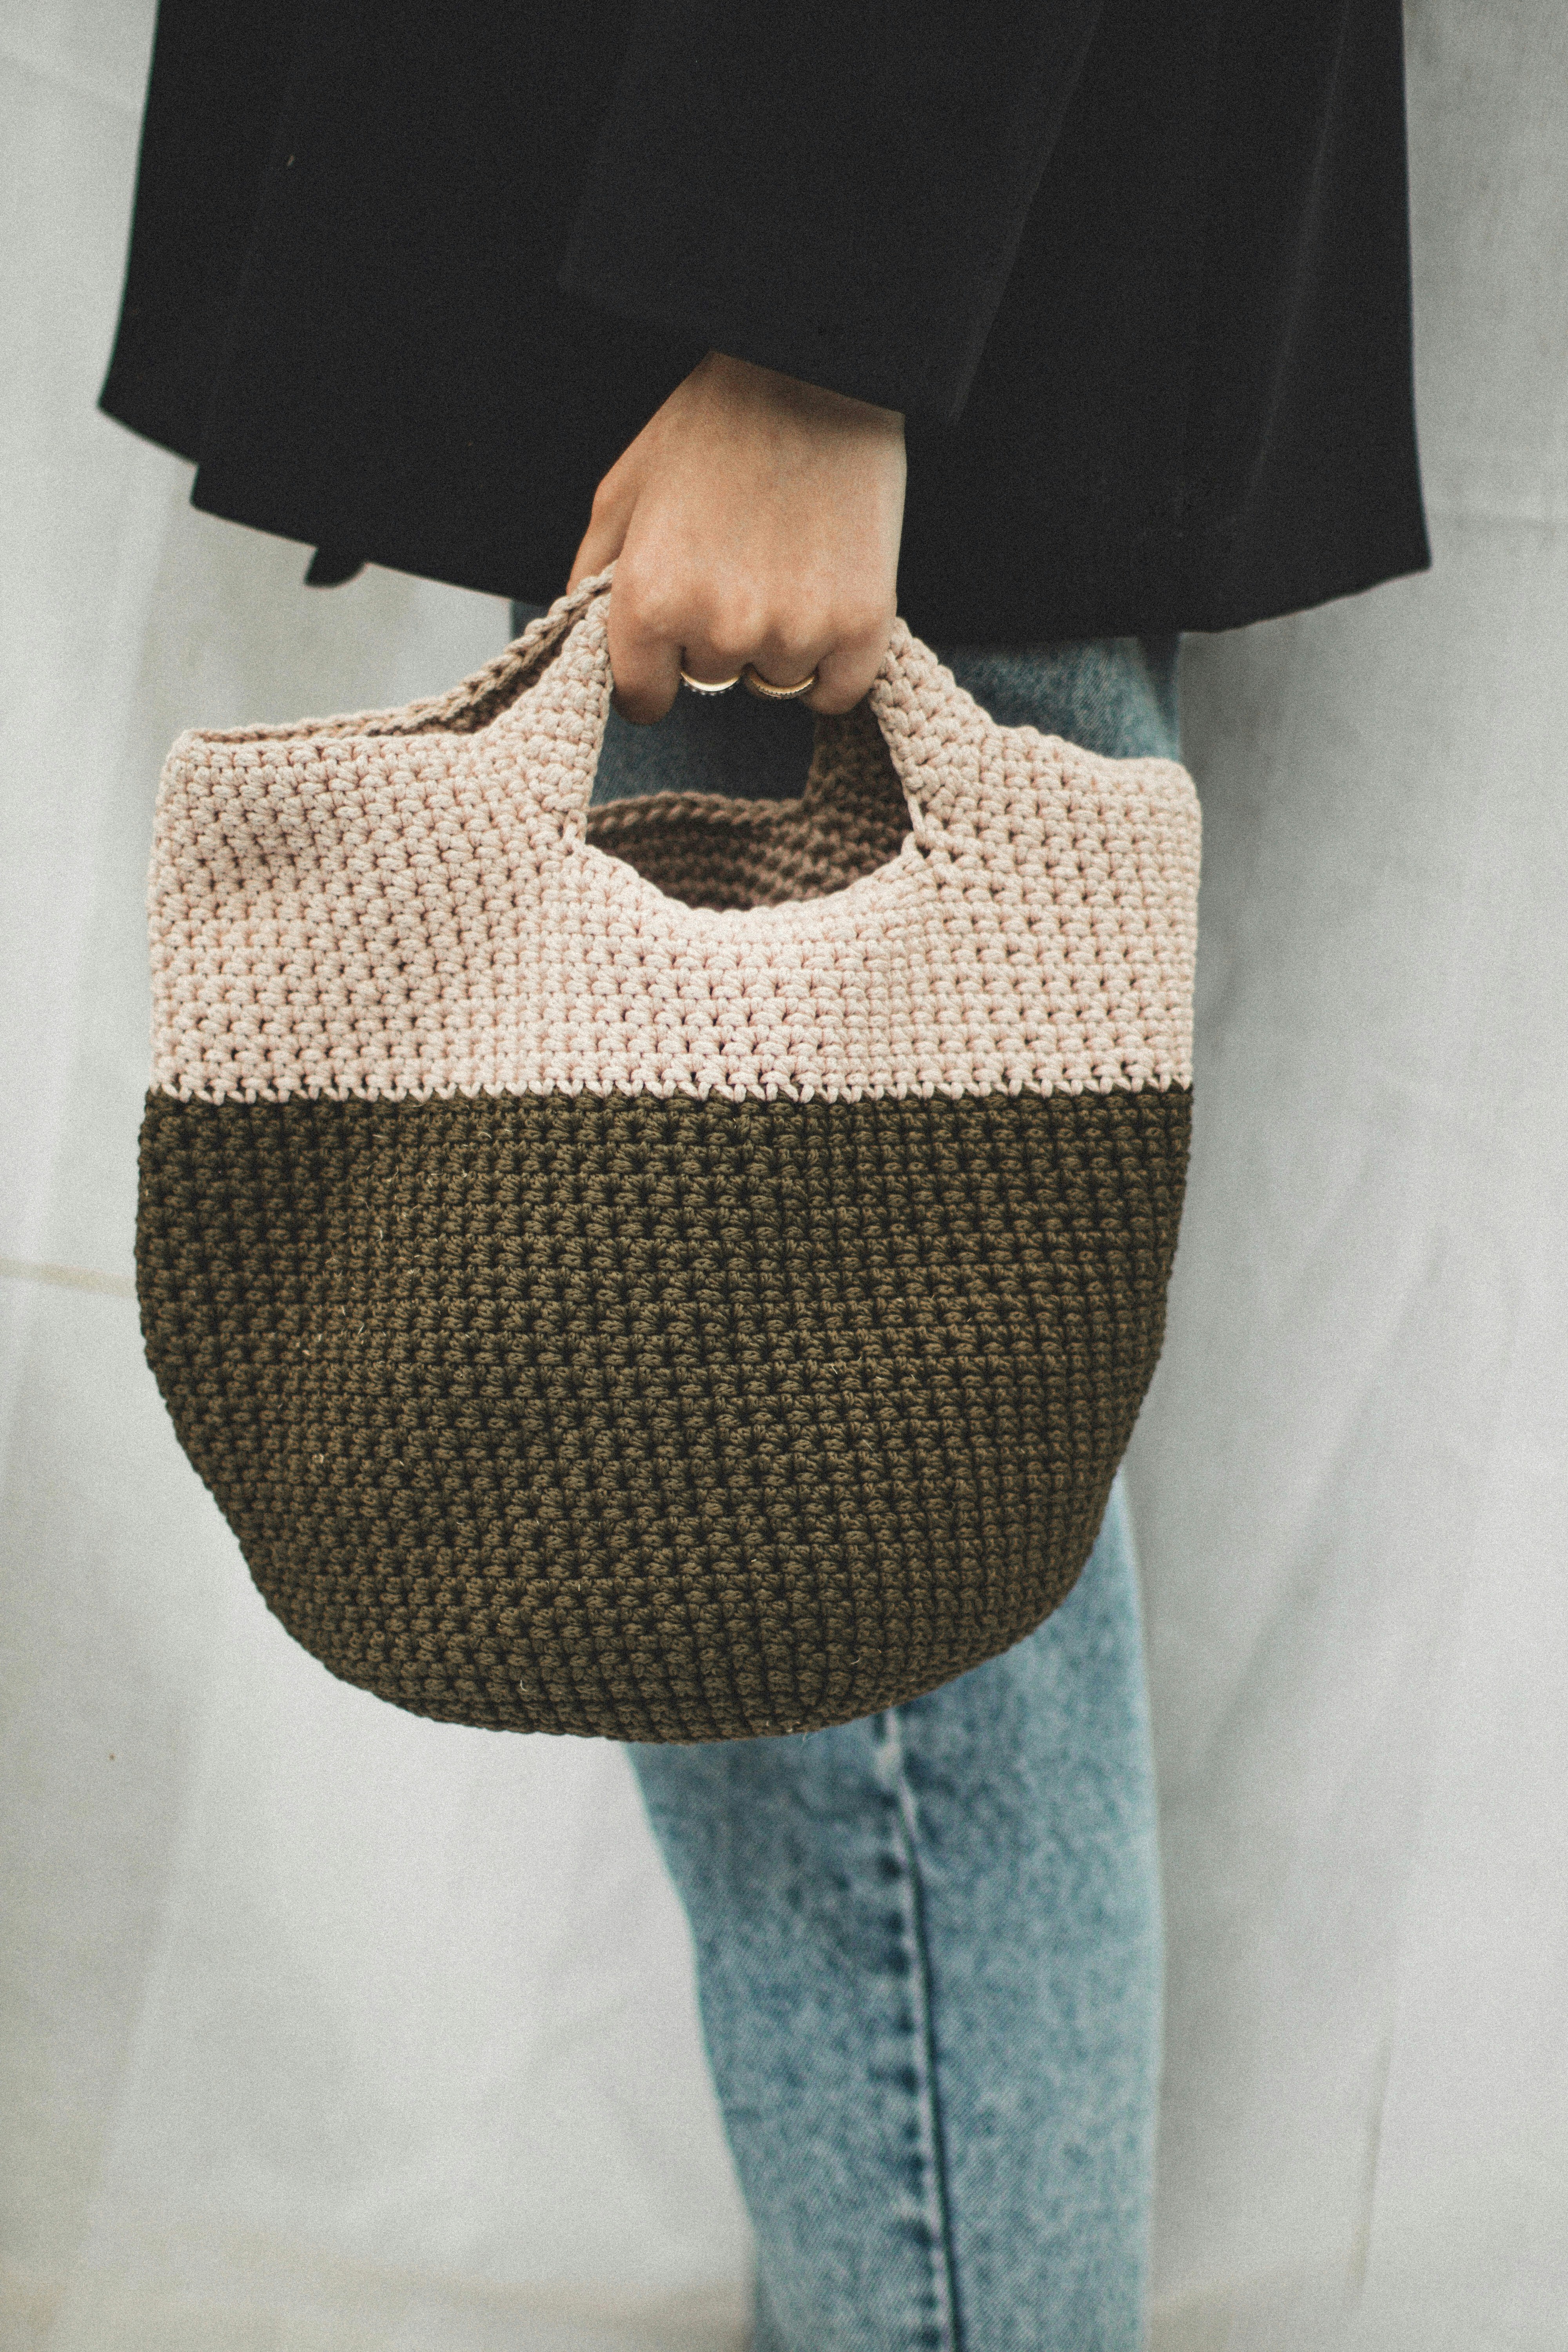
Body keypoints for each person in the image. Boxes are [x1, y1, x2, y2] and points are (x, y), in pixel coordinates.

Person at [101, 3, 1428, 2343]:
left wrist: (823, 312)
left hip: (826, 270)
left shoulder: (809, 328)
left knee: (859, 1698)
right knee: (848, 1668)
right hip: (767, 248)